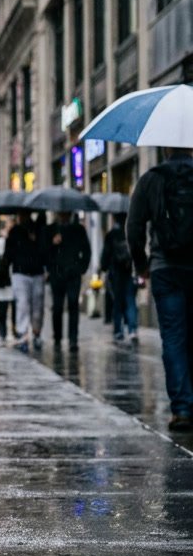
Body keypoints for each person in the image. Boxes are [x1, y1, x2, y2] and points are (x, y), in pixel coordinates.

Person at [127, 148, 193, 432]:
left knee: (173, 337)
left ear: (165, 149)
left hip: (164, 268)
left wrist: (142, 265)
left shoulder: (150, 179)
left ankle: (181, 409)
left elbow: (134, 227)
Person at [46, 211, 91, 351]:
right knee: (57, 307)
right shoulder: (51, 229)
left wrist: (81, 268)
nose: (64, 216)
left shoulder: (78, 229)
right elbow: (45, 252)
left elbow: (86, 251)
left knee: (73, 305)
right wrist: (53, 244)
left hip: (73, 274)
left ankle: (73, 339)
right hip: (57, 274)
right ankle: (58, 337)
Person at [6, 209, 47, 354]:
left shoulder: (39, 230)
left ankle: (36, 333)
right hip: (20, 272)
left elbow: (45, 250)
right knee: (22, 303)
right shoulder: (15, 232)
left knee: (38, 306)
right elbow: (8, 253)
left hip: (37, 272)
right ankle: (23, 334)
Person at [101, 213, 138, 343]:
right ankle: (132, 330)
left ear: (114, 218)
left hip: (116, 273)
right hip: (130, 272)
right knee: (130, 301)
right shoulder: (131, 232)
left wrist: (104, 267)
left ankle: (118, 331)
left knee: (117, 303)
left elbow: (105, 255)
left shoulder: (111, 235)